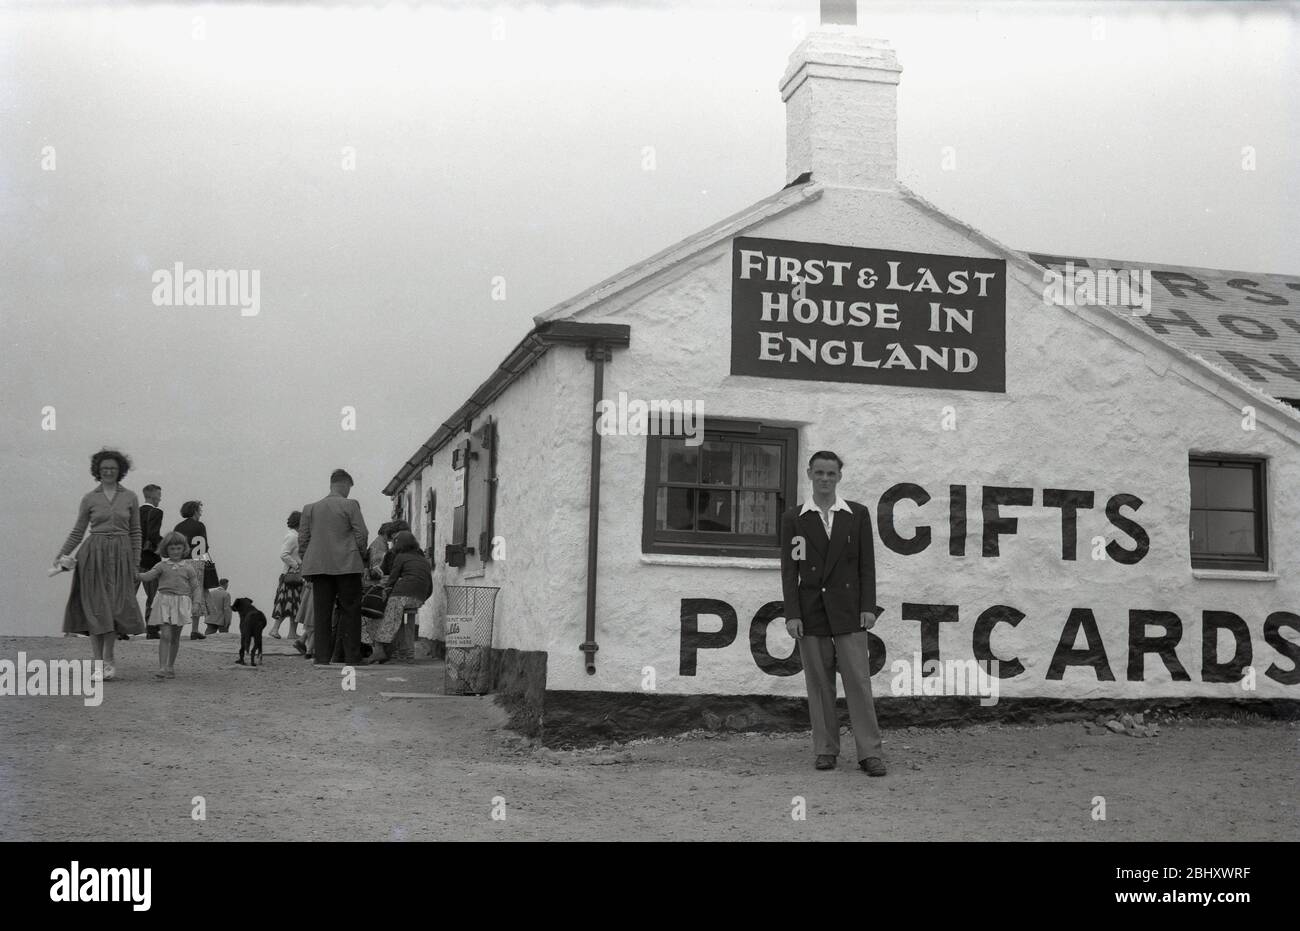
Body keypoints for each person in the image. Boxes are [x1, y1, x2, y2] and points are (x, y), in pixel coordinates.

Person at [779, 450, 887, 777]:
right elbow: (790, 570)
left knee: (858, 682)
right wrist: (792, 614)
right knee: (820, 684)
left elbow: (866, 566)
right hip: (812, 612)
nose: (825, 479)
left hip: (850, 610)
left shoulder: (856, 515)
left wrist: (868, 606)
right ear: (809, 474)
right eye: (819, 473)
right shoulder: (795, 519)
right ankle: (825, 749)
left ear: (840, 476)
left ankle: (870, 753)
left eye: (831, 473)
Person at [53, 449, 147, 680]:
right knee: (96, 609)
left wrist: (135, 563)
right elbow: (78, 531)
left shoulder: (130, 497)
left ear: (120, 471)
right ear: (97, 470)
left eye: (113, 468)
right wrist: (61, 554)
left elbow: (136, 532)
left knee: (115, 608)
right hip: (93, 556)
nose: (108, 472)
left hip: (122, 555)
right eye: (104, 468)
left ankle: (109, 659)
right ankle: (98, 664)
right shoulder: (89, 498)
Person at [299, 469, 369, 665]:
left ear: (331, 484)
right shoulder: (350, 505)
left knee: (322, 612)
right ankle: (352, 657)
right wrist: (361, 555)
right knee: (351, 611)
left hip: (319, 567)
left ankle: (321, 657)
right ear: (346, 485)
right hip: (348, 565)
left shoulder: (310, 508)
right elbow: (361, 533)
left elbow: (303, 539)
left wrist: (308, 560)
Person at [137, 531, 203, 678]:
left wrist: (197, 603)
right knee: (165, 635)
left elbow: (196, 587)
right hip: (164, 602)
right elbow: (147, 576)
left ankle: (170, 666)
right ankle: (161, 668)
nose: (175, 551)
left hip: (181, 603)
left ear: (183, 549)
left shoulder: (188, 567)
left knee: (175, 637)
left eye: (178, 548)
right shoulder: (161, 565)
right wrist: (135, 574)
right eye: (172, 548)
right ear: (166, 549)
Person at [362, 531, 432, 663]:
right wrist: (421, 599)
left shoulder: (401, 557)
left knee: (377, 610)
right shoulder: (423, 559)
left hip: (402, 595)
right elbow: (430, 585)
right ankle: (395, 651)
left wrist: (385, 591)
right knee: (391, 616)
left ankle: (379, 649)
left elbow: (392, 579)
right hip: (419, 597)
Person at [173, 501, 212, 640]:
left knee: (181, 596)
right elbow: (203, 547)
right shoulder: (199, 526)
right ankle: (194, 630)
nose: (201, 512)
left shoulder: (178, 526)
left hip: (180, 562)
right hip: (196, 562)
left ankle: (177, 629)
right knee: (196, 595)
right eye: (199, 510)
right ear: (195, 510)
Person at [270, 511, 303, 639]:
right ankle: (275, 629)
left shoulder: (295, 536)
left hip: (293, 574)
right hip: (291, 574)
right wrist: (296, 565)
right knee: (287, 604)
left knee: (295, 604)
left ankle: (292, 632)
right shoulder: (292, 537)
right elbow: (284, 554)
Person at [137, 483, 164, 639]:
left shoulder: (135, 512)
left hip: (134, 558)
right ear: (153, 496)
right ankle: (152, 628)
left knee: (128, 594)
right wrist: (164, 546)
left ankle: (119, 627)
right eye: (159, 495)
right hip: (150, 560)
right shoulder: (156, 512)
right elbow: (154, 535)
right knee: (153, 595)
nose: (160, 498)